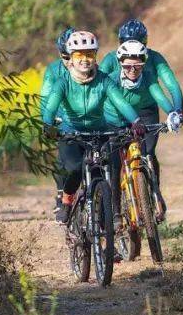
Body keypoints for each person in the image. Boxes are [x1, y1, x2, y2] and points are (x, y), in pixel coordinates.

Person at [40, 30, 145, 223]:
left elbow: (120, 102)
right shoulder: (63, 83)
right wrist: (48, 125)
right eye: (79, 55)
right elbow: (51, 106)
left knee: (107, 168)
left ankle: (108, 211)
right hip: (70, 133)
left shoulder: (103, 80)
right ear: (71, 57)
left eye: (89, 54)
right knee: (74, 168)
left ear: (95, 56)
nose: (85, 60)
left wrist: (135, 121)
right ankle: (67, 200)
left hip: (98, 132)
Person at [107, 40, 183, 220]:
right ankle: (116, 211)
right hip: (114, 121)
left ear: (144, 63)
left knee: (146, 153)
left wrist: (173, 113)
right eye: (127, 66)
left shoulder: (148, 77)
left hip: (141, 119)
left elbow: (159, 95)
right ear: (120, 63)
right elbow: (116, 102)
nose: (133, 70)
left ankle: (152, 193)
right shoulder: (110, 79)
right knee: (114, 165)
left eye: (138, 65)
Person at [100, 18, 183, 120]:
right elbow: (99, 88)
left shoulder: (155, 58)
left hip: (147, 110)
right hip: (117, 112)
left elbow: (172, 85)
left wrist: (178, 111)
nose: (133, 49)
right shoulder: (110, 59)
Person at [41, 27, 73, 220]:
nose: (70, 61)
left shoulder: (92, 68)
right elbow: (45, 99)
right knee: (63, 162)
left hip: (86, 120)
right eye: (65, 56)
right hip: (61, 117)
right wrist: (48, 122)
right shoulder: (53, 70)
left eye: (74, 56)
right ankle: (62, 195)